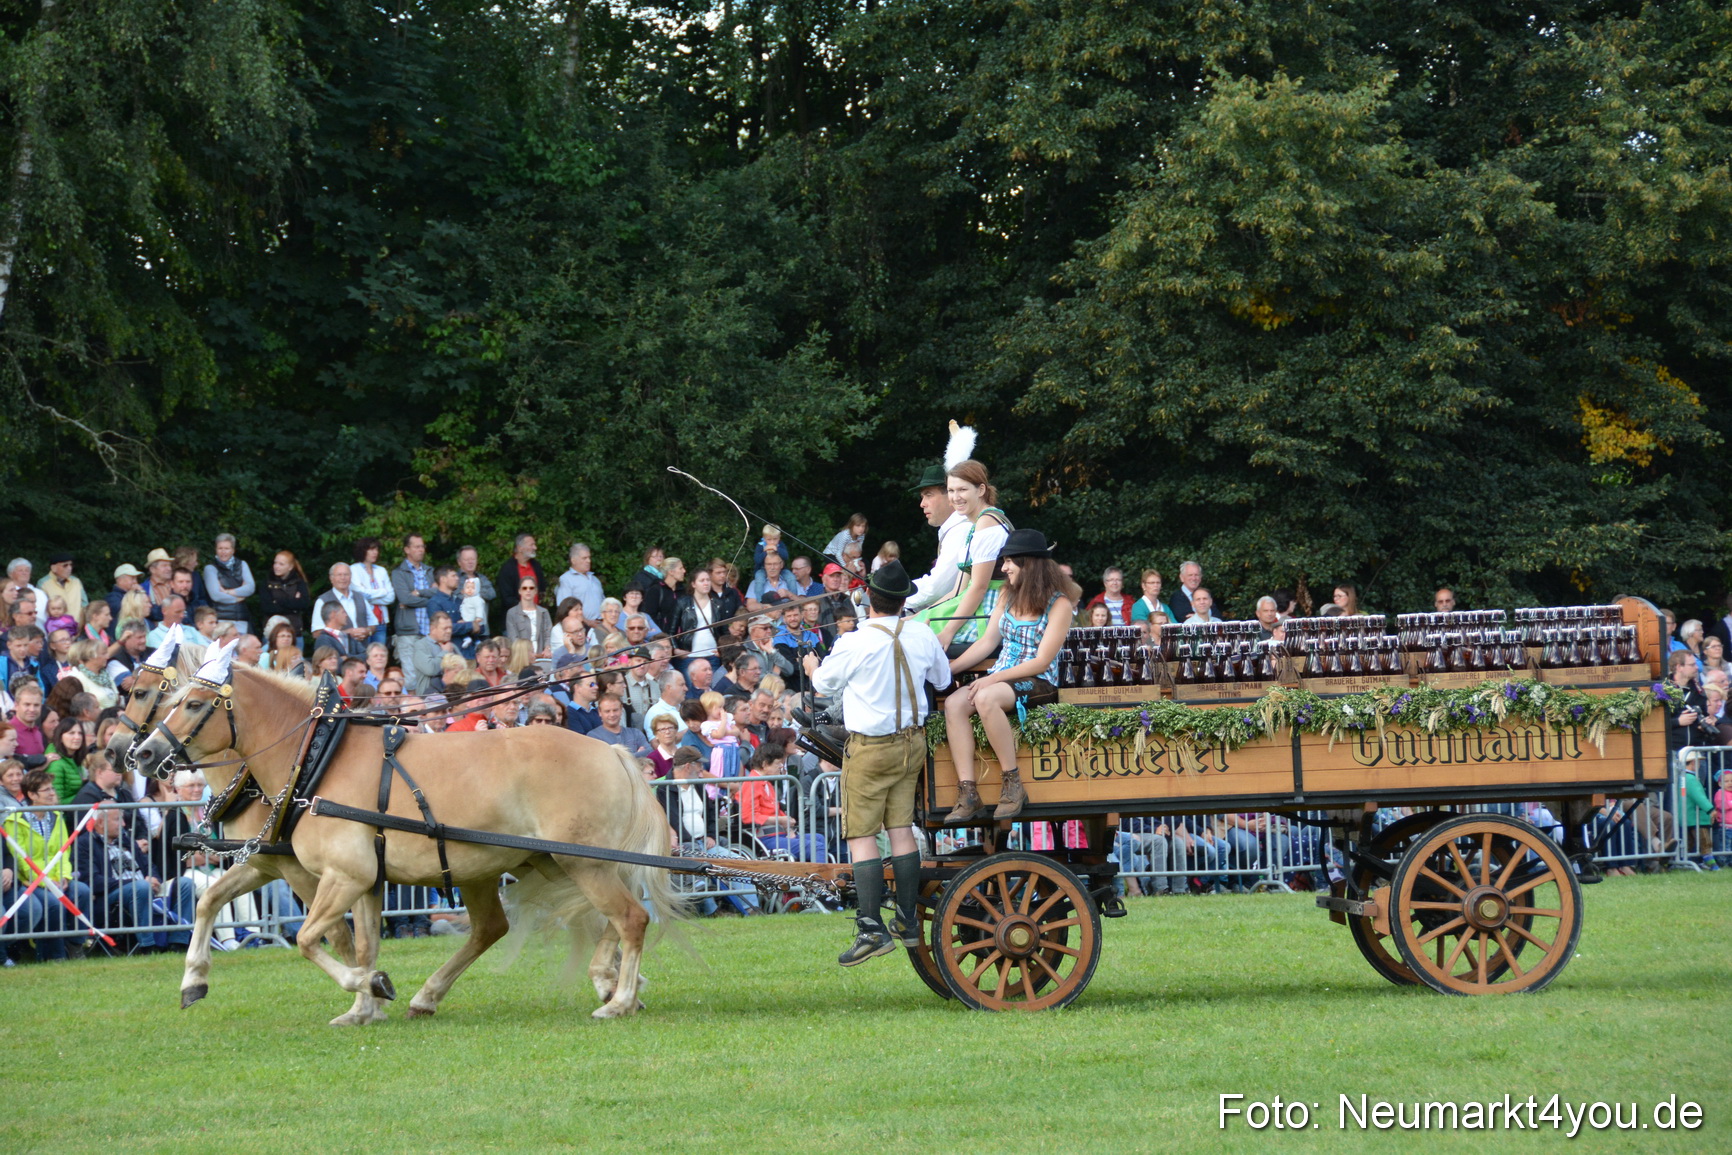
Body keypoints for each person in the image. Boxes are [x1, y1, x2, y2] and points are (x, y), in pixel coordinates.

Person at [802, 559, 951, 964]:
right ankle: (906, 919)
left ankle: (871, 927)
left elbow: (823, 684)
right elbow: (942, 680)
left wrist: (812, 665)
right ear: (905, 599)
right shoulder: (922, 634)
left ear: (869, 598)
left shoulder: (855, 640)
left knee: (862, 836)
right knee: (900, 828)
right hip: (912, 743)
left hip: (871, 747)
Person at [942, 530, 1077, 824]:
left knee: (986, 697)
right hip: (1001, 677)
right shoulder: (1007, 594)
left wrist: (992, 679)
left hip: (1039, 680)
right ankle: (968, 793)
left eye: (1009, 562)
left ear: (1028, 563)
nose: (1003, 568)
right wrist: (948, 670)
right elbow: (987, 642)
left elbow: (1042, 660)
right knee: (953, 704)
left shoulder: (1060, 604)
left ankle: (1013, 783)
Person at [917, 458, 1012, 654]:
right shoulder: (976, 525)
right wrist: (919, 615)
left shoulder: (987, 523)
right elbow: (958, 590)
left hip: (986, 615)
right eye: (951, 491)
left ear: (981, 490)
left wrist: (948, 631)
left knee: (912, 640)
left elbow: (979, 587)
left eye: (962, 490)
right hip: (970, 606)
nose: (955, 497)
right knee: (910, 626)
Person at [2, 771, 94, 961]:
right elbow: (20, 858)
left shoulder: (57, 817)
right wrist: (45, 882)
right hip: (31, 881)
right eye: (46, 790)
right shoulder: (15, 821)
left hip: (56, 878)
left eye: (52, 788)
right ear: (32, 795)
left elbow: (63, 851)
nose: (52, 793)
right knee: (53, 904)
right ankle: (52, 956)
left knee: (82, 891)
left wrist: (63, 877)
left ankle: (76, 945)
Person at [672, 567, 723, 669]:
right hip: (690, 656)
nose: (706, 583)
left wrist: (722, 650)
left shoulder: (717, 603)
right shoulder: (682, 603)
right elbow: (671, 631)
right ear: (693, 584)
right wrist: (675, 650)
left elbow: (724, 631)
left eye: (708, 580)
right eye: (702, 580)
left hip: (712, 655)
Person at [203, 533, 256, 631]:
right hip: (221, 619)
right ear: (216, 549)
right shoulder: (210, 568)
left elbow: (250, 588)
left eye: (226, 548)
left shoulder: (242, 564)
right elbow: (216, 595)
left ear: (233, 550)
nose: (223, 552)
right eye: (220, 548)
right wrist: (237, 598)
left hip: (242, 618)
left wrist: (227, 592)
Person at [257, 551, 313, 638]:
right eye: (275, 563)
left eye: (281, 564)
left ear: (290, 567)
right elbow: (267, 607)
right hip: (272, 634)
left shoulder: (299, 583)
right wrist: (293, 605)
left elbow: (304, 604)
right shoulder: (267, 583)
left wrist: (277, 601)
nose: (276, 566)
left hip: (295, 633)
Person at [43, 716, 92, 802]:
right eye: (71, 733)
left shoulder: (75, 760)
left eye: (80, 733)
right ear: (60, 736)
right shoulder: (56, 764)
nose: (77, 737)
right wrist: (86, 798)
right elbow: (55, 801)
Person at [505, 578, 554, 658]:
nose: (528, 590)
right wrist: (527, 653)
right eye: (524, 588)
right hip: (521, 658)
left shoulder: (544, 612)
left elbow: (548, 634)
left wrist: (547, 648)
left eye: (531, 588)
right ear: (519, 591)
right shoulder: (512, 613)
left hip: (542, 657)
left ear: (535, 591)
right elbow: (513, 638)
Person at [555, 542, 604, 619]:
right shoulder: (566, 579)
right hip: (580, 626)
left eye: (589, 557)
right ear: (573, 560)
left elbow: (603, 603)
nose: (589, 561)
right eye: (584, 558)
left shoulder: (595, 579)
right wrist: (587, 622)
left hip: (600, 624)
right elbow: (564, 609)